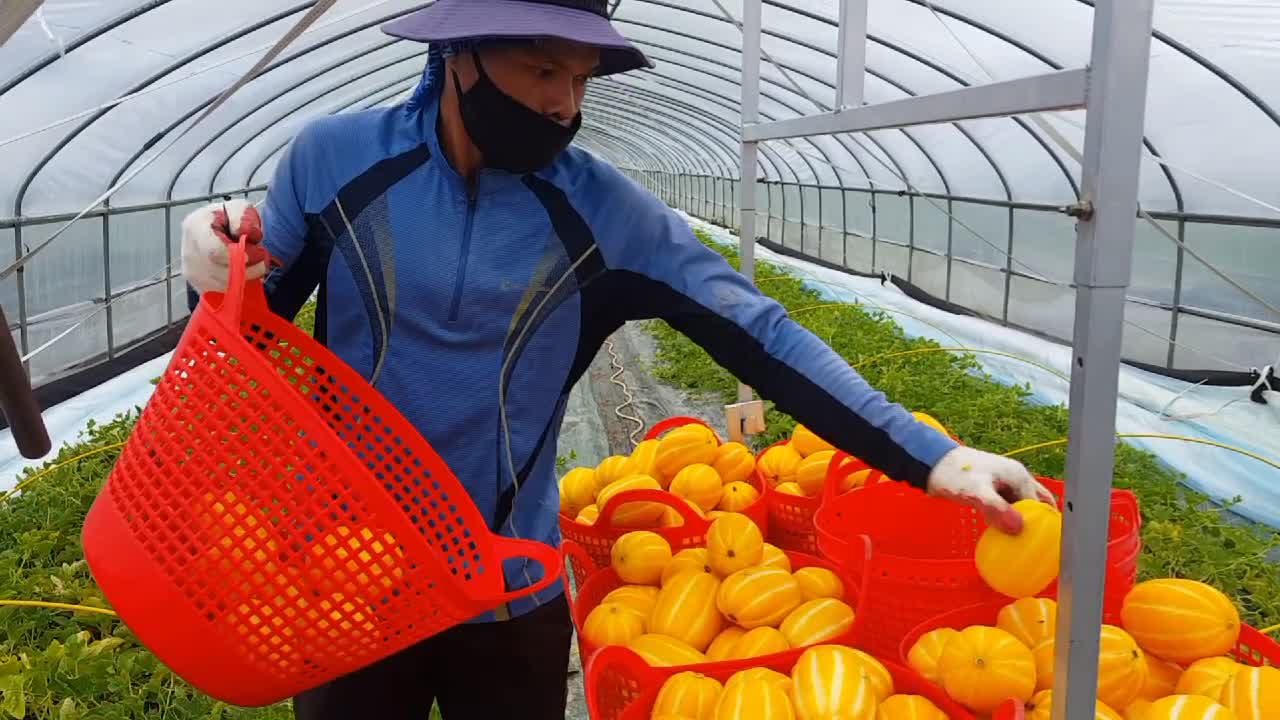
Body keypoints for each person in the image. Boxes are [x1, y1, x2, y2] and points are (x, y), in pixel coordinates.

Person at [179, 0, 1052, 717]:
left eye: (580, 78)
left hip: (507, 583)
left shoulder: (604, 211)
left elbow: (761, 333)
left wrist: (934, 457)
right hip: (346, 577)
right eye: (542, 69)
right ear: (459, 53)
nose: (565, 103)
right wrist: (212, 274)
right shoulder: (334, 160)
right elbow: (249, 332)